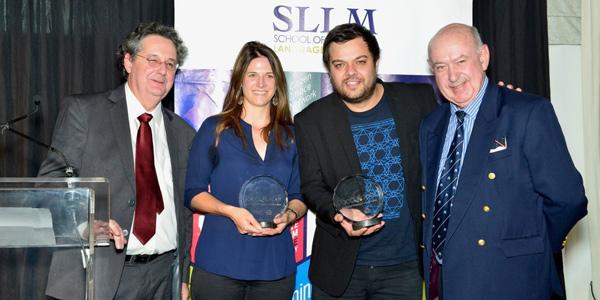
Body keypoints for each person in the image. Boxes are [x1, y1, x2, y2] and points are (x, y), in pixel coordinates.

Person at [420, 23, 588, 299]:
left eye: (461, 61)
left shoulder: (527, 113)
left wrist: (534, 243)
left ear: (483, 57)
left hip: (509, 280)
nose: (452, 76)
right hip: (445, 281)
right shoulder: (431, 126)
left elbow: (568, 199)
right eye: (440, 67)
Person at [38, 22, 195, 299]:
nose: (162, 70)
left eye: (171, 64)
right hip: (100, 272)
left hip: (162, 276)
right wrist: (86, 224)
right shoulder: (85, 112)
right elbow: (52, 184)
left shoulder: (183, 133)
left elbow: (183, 210)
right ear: (128, 61)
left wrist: (181, 276)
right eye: (153, 60)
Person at [294, 23, 437, 299]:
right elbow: (311, 186)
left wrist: (498, 104)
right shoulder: (311, 121)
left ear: (375, 60)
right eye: (339, 64)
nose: (351, 73)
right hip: (341, 268)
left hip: (404, 267)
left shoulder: (419, 101)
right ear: (330, 70)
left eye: (360, 61)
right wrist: (339, 214)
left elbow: (455, 138)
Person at [184, 41, 307, 300]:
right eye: (252, 75)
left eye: (268, 75)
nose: (260, 83)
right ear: (240, 81)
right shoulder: (215, 129)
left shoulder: (293, 136)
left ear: (277, 84)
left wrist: (289, 215)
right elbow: (193, 193)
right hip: (219, 265)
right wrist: (230, 211)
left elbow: (300, 196)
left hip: (275, 268)